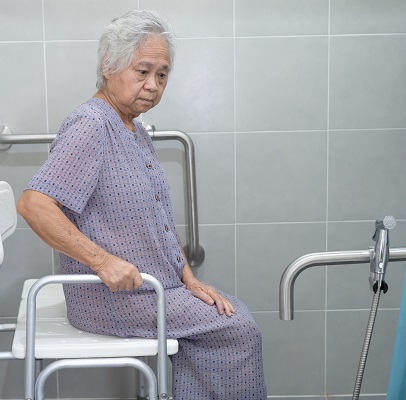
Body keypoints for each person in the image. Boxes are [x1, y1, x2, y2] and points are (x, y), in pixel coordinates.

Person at [17, 10, 267, 399]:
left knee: (227, 313)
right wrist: (102, 262)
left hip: (152, 289)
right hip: (116, 298)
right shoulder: (93, 124)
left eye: (162, 75)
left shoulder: (132, 128)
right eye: (143, 71)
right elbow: (34, 204)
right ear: (108, 65)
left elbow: (159, 222)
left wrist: (189, 279)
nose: (153, 85)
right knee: (238, 329)